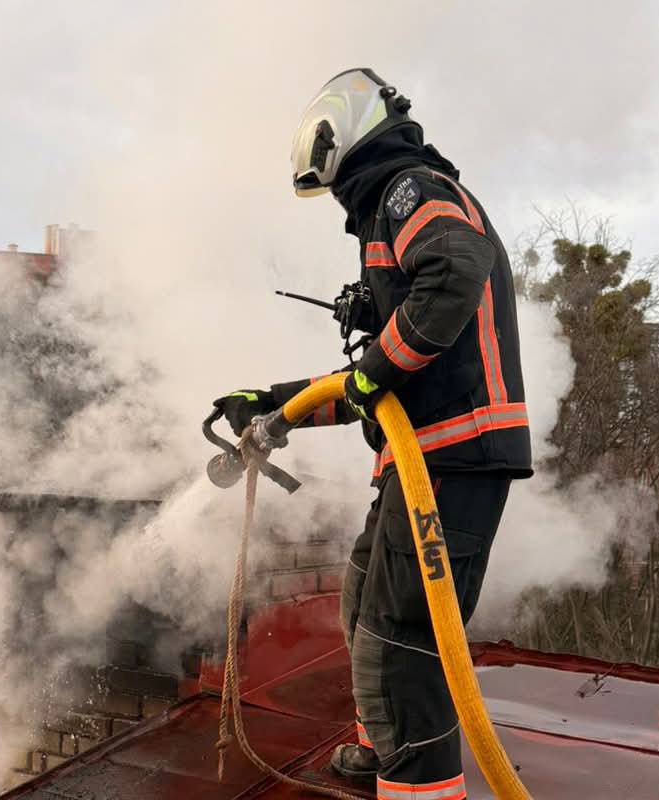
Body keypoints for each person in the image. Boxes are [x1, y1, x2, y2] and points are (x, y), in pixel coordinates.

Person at [212, 68, 532, 799]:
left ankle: (420, 788)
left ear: (341, 140)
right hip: (429, 454)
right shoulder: (397, 204)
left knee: (399, 645)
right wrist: (273, 404)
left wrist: (372, 370)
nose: (337, 210)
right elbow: (375, 390)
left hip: (455, 453)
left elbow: (452, 274)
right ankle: (381, 755)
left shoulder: (410, 191)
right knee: (366, 604)